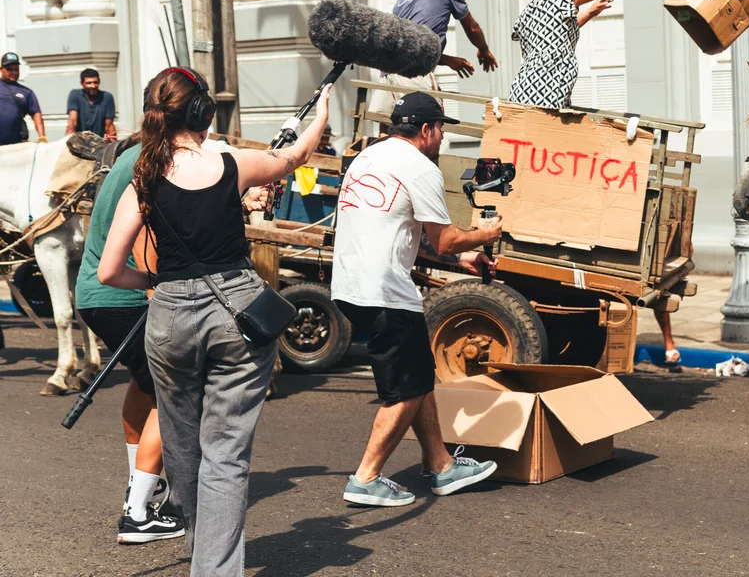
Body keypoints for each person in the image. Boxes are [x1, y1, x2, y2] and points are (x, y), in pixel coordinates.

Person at [98, 66, 331, 575]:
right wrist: (321, 113)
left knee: (182, 448)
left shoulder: (143, 180)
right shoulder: (233, 163)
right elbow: (295, 156)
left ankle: (201, 550)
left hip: (170, 318)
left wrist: (156, 282)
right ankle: (213, 568)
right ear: (203, 112)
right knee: (226, 455)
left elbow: (109, 271)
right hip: (236, 311)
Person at [77, 131, 272, 545]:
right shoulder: (156, 164)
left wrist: (240, 204)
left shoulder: (139, 156)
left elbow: (178, 220)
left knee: (145, 385)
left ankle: (142, 488)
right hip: (129, 295)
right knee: (171, 398)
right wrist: (162, 296)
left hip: (95, 295)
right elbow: (147, 240)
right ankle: (137, 513)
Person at [332, 91, 502, 507]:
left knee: (419, 376)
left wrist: (461, 256)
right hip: (386, 292)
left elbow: (404, 231)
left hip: (351, 286)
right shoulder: (420, 167)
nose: (443, 137)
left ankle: (441, 465)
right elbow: (443, 239)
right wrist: (485, 234)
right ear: (426, 130)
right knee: (405, 390)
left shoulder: (368, 158)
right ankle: (365, 478)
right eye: (441, 128)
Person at [368, 0, 498, 123]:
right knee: (426, 127)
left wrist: (449, 60)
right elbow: (472, 27)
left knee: (388, 128)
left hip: (387, 72)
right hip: (413, 73)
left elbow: (409, 46)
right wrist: (483, 49)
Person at [508, 0, 643, 109]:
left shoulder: (527, 14)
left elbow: (556, 33)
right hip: (545, 94)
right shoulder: (559, 0)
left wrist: (590, 13)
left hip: (520, 93)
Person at [0, 52, 45, 145]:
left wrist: (42, 136)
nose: (14, 72)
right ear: (1, 69)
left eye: (16, 69)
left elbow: (36, 114)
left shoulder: (27, 92)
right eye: (9, 69)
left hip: (16, 144)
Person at [67, 67, 116, 140]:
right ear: (81, 83)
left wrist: (114, 144)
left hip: (99, 141)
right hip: (80, 141)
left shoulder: (107, 97)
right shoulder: (75, 95)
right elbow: (72, 123)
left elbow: (109, 126)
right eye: (88, 83)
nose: (93, 86)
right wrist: (67, 143)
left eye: (95, 82)